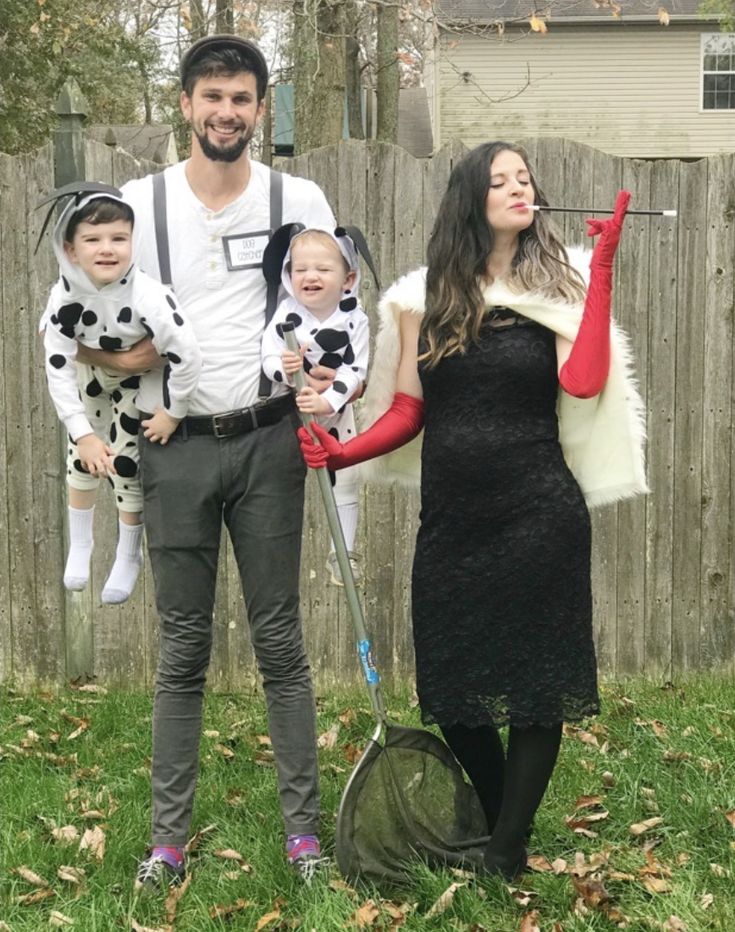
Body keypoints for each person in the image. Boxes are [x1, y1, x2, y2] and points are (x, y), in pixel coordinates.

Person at [299, 141, 648, 879]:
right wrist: (343, 453)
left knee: (535, 682)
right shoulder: (422, 299)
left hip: (538, 513)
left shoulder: (558, 287)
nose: (519, 187)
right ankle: (498, 824)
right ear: (470, 198)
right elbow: (404, 410)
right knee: (452, 688)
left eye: (525, 177)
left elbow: (583, 384)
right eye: (500, 179)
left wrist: (605, 268)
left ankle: (505, 847)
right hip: (454, 518)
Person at [75, 36, 335, 887]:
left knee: (280, 643)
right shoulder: (138, 204)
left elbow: (336, 308)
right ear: (184, 103)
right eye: (212, 96)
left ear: (262, 108)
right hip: (172, 447)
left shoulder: (299, 197)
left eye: (242, 98)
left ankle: (304, 840)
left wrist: (337, 374)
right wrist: (112, 365)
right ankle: (166, 843)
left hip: (267, 442)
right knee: (182, 648)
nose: (227, 112)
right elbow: (87, 309)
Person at [40, 188, 201, 604]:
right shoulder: (64, 297)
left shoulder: (148, 296)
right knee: (83, 456)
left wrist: (173, 411)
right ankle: (81, 544)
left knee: (125, 463)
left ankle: (128, 554)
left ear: (133, 241)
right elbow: (57, 364)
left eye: (118, 238)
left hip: (139, 380)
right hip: (89, 374)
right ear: (71, 250)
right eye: (93, 240)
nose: (107, 249)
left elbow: (188, 354)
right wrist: (83, 433)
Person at [261, 227, 369, 585]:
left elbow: (356, 371)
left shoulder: (355, 318)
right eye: (301, 269)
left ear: (347, 278)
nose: (310, 277)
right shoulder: (286, 314)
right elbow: (268, 356)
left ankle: (343, 553)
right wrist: (284, 368)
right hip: (288, 411)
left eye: (323, 269)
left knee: (345, 477)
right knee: (280, 477)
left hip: (335, 410)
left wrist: (328, 400)